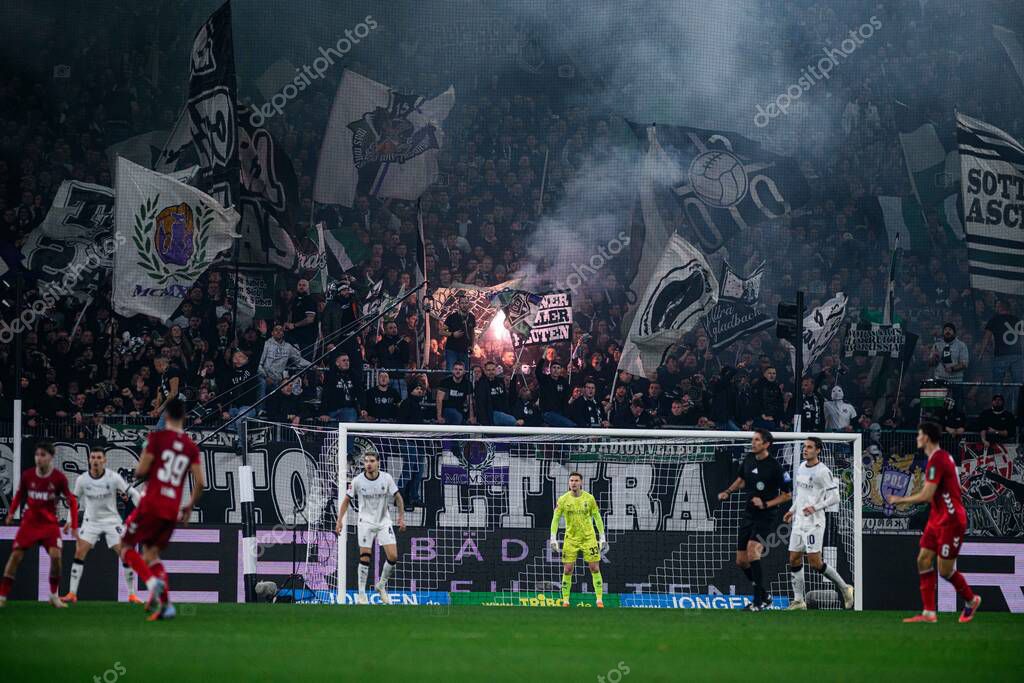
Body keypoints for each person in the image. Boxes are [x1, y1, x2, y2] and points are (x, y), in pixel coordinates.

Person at [118, 398, 205, 621]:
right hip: (171, 510)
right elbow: (201, 482)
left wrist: (141, 470)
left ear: (165, 416)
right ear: (184, 417)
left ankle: (151, 583)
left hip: (151, 504)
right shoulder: (190, 447)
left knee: (124, 546)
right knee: (151, 555)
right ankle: (166, 606)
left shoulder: (156, 438)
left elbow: (141, 470)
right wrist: (189, 507)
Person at [887, 422, 981, 623]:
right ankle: (929, 612)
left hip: (952, 520)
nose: (917, 438)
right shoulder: (937, 458)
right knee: (922, 560)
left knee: (945, 570)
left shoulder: (938, 460)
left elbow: (927, 495)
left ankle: (971, 600)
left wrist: (899, 500)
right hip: (937, 518)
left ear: (927, 437)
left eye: (919, 434)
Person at [717, 429, 791, 610]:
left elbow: (787, 495)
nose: (754, 443)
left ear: (767, 444)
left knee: (753, 551)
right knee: (741, 561)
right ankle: (764, 595)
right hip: (749, 513)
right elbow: (741, 480)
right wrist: (727, 492)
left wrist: (766, 504)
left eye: (757, 440)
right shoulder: (749, 459)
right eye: (753, 440)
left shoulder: (775, 466)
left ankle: (757, 602)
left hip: (766, 515)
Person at [0, 442, 78, 608]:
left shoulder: (59, 478)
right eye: (37, 455)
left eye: (43, 455)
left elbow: (72, 500)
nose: (39, 458)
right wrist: (11, 513)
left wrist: (74, 525)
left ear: (51, 457)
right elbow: (19, 494)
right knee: (15, 557)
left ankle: (53, 596)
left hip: (49, 525)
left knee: (57, 558)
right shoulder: (28, 475)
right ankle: (2, 596)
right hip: (29, 524)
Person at [62, 447, 143, 604]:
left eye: (99, 457)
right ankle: (72, 593)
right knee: (79, 552)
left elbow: (133, 493)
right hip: (91, 521)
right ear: (89, 460)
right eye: (93, 457)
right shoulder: (82, 480)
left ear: (104, 460)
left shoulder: (114, 478)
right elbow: (74, 501)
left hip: (111, 521)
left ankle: (132, 594)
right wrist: (69, 521)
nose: (96, 460)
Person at [784, 437, 854, 610]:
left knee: (815, 563)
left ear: (818, 450)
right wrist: (792, 510)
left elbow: (835, 497)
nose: (805, 450)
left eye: (809, 447)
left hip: (814, 523)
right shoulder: (801, 467)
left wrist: (815, 507)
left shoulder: (823, 472)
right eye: (804, 447)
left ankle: (845, 588)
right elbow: (801, 495)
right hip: (799, 521)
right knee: (793, 558)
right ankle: (799, 601)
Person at [335, 452, 405, 604]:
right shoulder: (357, 481)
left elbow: (398, 497)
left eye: (372, 461)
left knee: (393, 556)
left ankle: (381, 585)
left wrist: (401, 517)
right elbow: (346, 501)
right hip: (365, 522)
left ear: (378, 463)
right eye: (366, 461)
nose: (368, 464)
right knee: (365, 557)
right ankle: (361, 594)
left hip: (383, 521)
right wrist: (339, 520)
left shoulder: (386, 478)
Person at [549, 472, 607, 608]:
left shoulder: (589, 498)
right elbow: (556, 519)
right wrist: (553, 538)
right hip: (571, 539)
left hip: (589, 538)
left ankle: (599, 600)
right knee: (568, 569)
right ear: (569, 483)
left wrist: (602, 536)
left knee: (594, 568)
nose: (573, 483)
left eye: (576, 480)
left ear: (581, 482)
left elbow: (597, 517)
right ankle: (566, 601)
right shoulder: (563, 500)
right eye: (571, 480)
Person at [981, 300, 1022, 411]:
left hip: (1001, 356)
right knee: (1018, 384)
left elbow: (986, 337)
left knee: (997, 383)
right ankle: (1017, 410)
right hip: (1017, 356)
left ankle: (997, 409)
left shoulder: (994, 319)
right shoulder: (1017, 320)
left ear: (1000, 307)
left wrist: (981, 353)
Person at [929, 323, 969, 402]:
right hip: (940, 380)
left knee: (956, 407)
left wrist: (952, 368)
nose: (947, 332)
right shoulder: (937, 345)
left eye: (950, 330)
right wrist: (934, 357)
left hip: (956, 382)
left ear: (954, 332)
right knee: (939, 408)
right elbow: (930, 364)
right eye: (945, 330)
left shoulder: (961, 345)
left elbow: (965, 363)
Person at [474, 361, 517, 426]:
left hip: (503, 412)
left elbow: (507, 397)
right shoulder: (481, 384)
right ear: (485, 371)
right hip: (491, 415)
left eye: (493, 369)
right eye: (488, 370)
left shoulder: (500, 381)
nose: (491, 372)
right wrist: (485, 422)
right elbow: (480, 405)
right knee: (512, 421)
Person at [442, 293, 475, 371]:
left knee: (465, 372)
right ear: (458, 304)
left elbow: (472, 333)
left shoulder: (471, 317)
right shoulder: (452, 317)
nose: (464, 305)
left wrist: (472, 346)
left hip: (465, 350)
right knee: (451, 371)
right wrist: (453, 334)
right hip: (452, 350)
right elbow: (441, 331)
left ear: (469, 304)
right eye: (462, 303)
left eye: (466, 303)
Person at [436, 361, 473, 425]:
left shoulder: (467, 384)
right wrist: (439, 416)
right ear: (452, 370)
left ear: (464, 372)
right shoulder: (445, 382)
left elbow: (470, 402)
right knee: (457, 416)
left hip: (460, 410)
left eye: (460, 369)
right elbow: (439, 399)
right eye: (456, 369)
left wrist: (471, 416)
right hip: (446, 410)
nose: (458, 371)